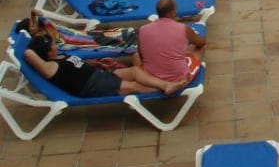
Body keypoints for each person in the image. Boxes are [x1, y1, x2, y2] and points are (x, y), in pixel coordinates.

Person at [23, 32, 185, 97]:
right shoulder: (49, 67)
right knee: (132, 86)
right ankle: (168, 88)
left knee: (135, 70)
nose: (55, 45)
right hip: (90, 85)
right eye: (52, 45)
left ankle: (165, 84)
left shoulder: (59, 56)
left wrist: (96, 64)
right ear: (47, 52)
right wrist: (29, 45)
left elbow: (76, 66)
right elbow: (28, 54)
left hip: (96, 75)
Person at [136, 0, 205, 89]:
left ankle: (149, 78)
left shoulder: (142, 29)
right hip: (178, 78)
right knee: (200, 48)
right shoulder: (183, 28)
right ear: (172, 12)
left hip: (151, 77)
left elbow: (141, 56)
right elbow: (201, 42)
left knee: (136, 55)